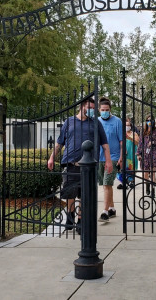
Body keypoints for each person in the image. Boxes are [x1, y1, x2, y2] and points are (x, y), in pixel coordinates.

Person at [47, 98, 112, 233]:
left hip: (88, 166)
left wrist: (108, 161)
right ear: (82, 107)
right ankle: (70, 218)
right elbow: (60, 143)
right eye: (89, 107)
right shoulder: (69, 122)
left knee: (84, 195)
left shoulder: (95, 123)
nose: (91, 111)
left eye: (93, 108)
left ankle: (81, 220)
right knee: (70, 193)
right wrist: (52, 157)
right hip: (71, 163)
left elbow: (104, 144)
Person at [98, 97, 122, 222]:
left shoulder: (117, 121)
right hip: (99, 157)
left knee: (107, 184)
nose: (105, 111)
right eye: (102, 110)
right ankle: (112, 208)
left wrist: (121, 157)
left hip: (113, 157)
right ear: (99, 110)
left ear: (110, 109)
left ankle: (105, 212)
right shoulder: (96, 121)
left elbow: (121, 141)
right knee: (106, 185)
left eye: (107, 110)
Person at [136, 114, 156, 197]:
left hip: (154, 153)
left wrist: (154, 142)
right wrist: (138, 153)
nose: (149, 122)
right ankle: (147, 186)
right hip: (145, 153)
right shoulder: (143, 131)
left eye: (151, 120)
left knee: (153, 172)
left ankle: (153, 190)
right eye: (147, 120)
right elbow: (140, 143)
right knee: (145, 173)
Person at [118, 117, 139, 189]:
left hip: (132, 152)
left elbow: (137, 142)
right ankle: (124, 182)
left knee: (132, 167)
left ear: (131, 126)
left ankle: (132, 181)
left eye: (128, 125)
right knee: (123, 167)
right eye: (125, 125)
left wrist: (129, 137)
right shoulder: (121, 133)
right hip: (124, 153)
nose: (127, 127)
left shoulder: (134, 134)